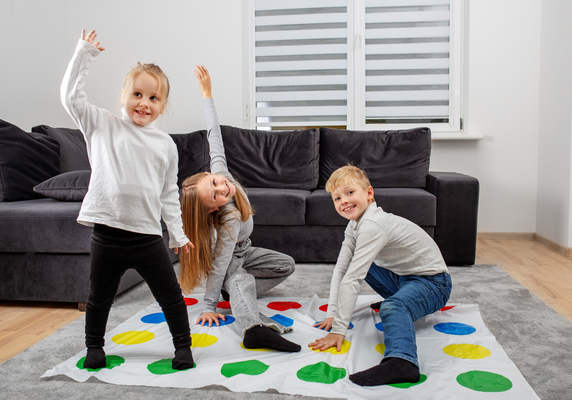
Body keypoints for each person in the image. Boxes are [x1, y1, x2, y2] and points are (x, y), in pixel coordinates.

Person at [61, 29, 194, 370]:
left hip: (148, 236)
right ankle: (95, 347)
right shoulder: (101, 125)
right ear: (123, 95)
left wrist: (177, 234)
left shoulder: (166, 145)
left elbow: (168, 194)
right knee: (99, 299)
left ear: (163, 105)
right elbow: (69, 98)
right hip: (107, 234)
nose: (143, 104)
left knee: (171, 297)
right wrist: (84, 54)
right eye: (137, 94)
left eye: (153, 98)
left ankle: (183, 347)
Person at [179, 65, 300, 353]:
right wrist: (208, 306)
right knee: (238, 277)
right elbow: (220, 261)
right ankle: (254, 329)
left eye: (215, 183)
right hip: (231, 256)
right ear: (212, 210)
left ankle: (233, 290)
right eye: (216, 196)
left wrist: (207, 94)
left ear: (211, 173)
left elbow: (214, 137)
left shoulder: (223, 173)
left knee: (286, 264)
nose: (223, 189)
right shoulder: (229, 219)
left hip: (246, 250)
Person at [308, 165, 452, 386]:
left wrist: (339, 331)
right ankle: (402, 301)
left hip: (433, 283)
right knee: (355, 266)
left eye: (349, 192)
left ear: (369, 193)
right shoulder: (354, 225)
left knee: (392, 307)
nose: (343, 201)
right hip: (403, 278)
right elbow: (342, 270)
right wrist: (334, 314)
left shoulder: (373, 224)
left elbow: (353, 278)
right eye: (337, 198)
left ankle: (403, 362)